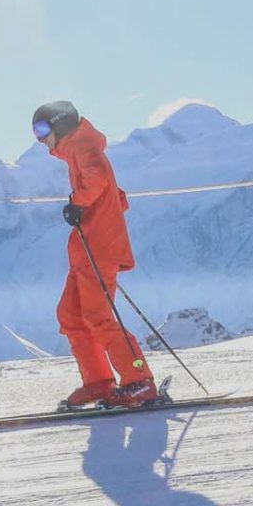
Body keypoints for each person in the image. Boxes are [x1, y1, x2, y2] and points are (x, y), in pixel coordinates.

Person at [32, 100, 158, 411]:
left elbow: (98, 177)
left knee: (99, 317)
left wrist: (80, 203)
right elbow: (117, 196)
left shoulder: (83, 146)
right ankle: (99, 382)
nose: (39, 137)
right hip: (88, 248)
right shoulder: (78, 151)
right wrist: (91, 209)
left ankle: (139, 381)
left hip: (98, 249)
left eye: (41, 129)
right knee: (72, 315)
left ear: (60, 124)